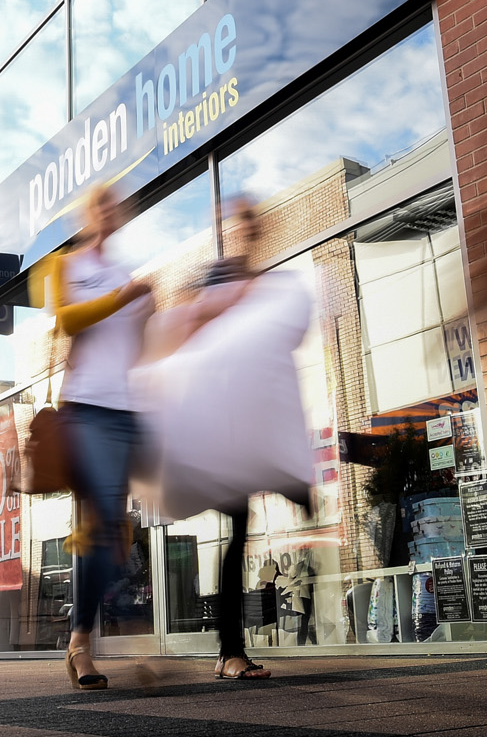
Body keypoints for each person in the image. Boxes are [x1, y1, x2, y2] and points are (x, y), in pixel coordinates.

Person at [136, 197, 315, 680]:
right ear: (227, 230)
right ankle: (228, 652)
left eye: (253, 221)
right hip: (215, 435)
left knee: (240, 533)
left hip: (246, 433)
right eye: (239, 222)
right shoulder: (217, 278)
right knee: (237, 533)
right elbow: (186, 333)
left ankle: (227, 651)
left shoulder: (268, 285)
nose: (247, 230)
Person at [42, 184, 153, 690]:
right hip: (86, 408)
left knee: (114, 536)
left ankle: (82, 635)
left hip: (125, 409)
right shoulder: (67, 265)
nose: (109, 210)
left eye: (115, 203)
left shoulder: (123, 274)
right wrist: (121, 298)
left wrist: (148, 310)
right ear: (86, 214)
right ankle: (80, 644)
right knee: (100, 524)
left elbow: (139, 347)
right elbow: (66, 321)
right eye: (99, 203)